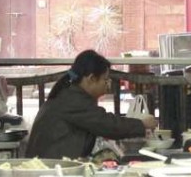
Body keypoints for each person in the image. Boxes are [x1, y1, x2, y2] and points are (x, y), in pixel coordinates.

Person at [25, 49, 158, 159]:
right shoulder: (72, 100)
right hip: (51, 169)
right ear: (91, 79)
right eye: (105, 80)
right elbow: (106, 124)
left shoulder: (70, 93)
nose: (108, 85)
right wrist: (142, 124)